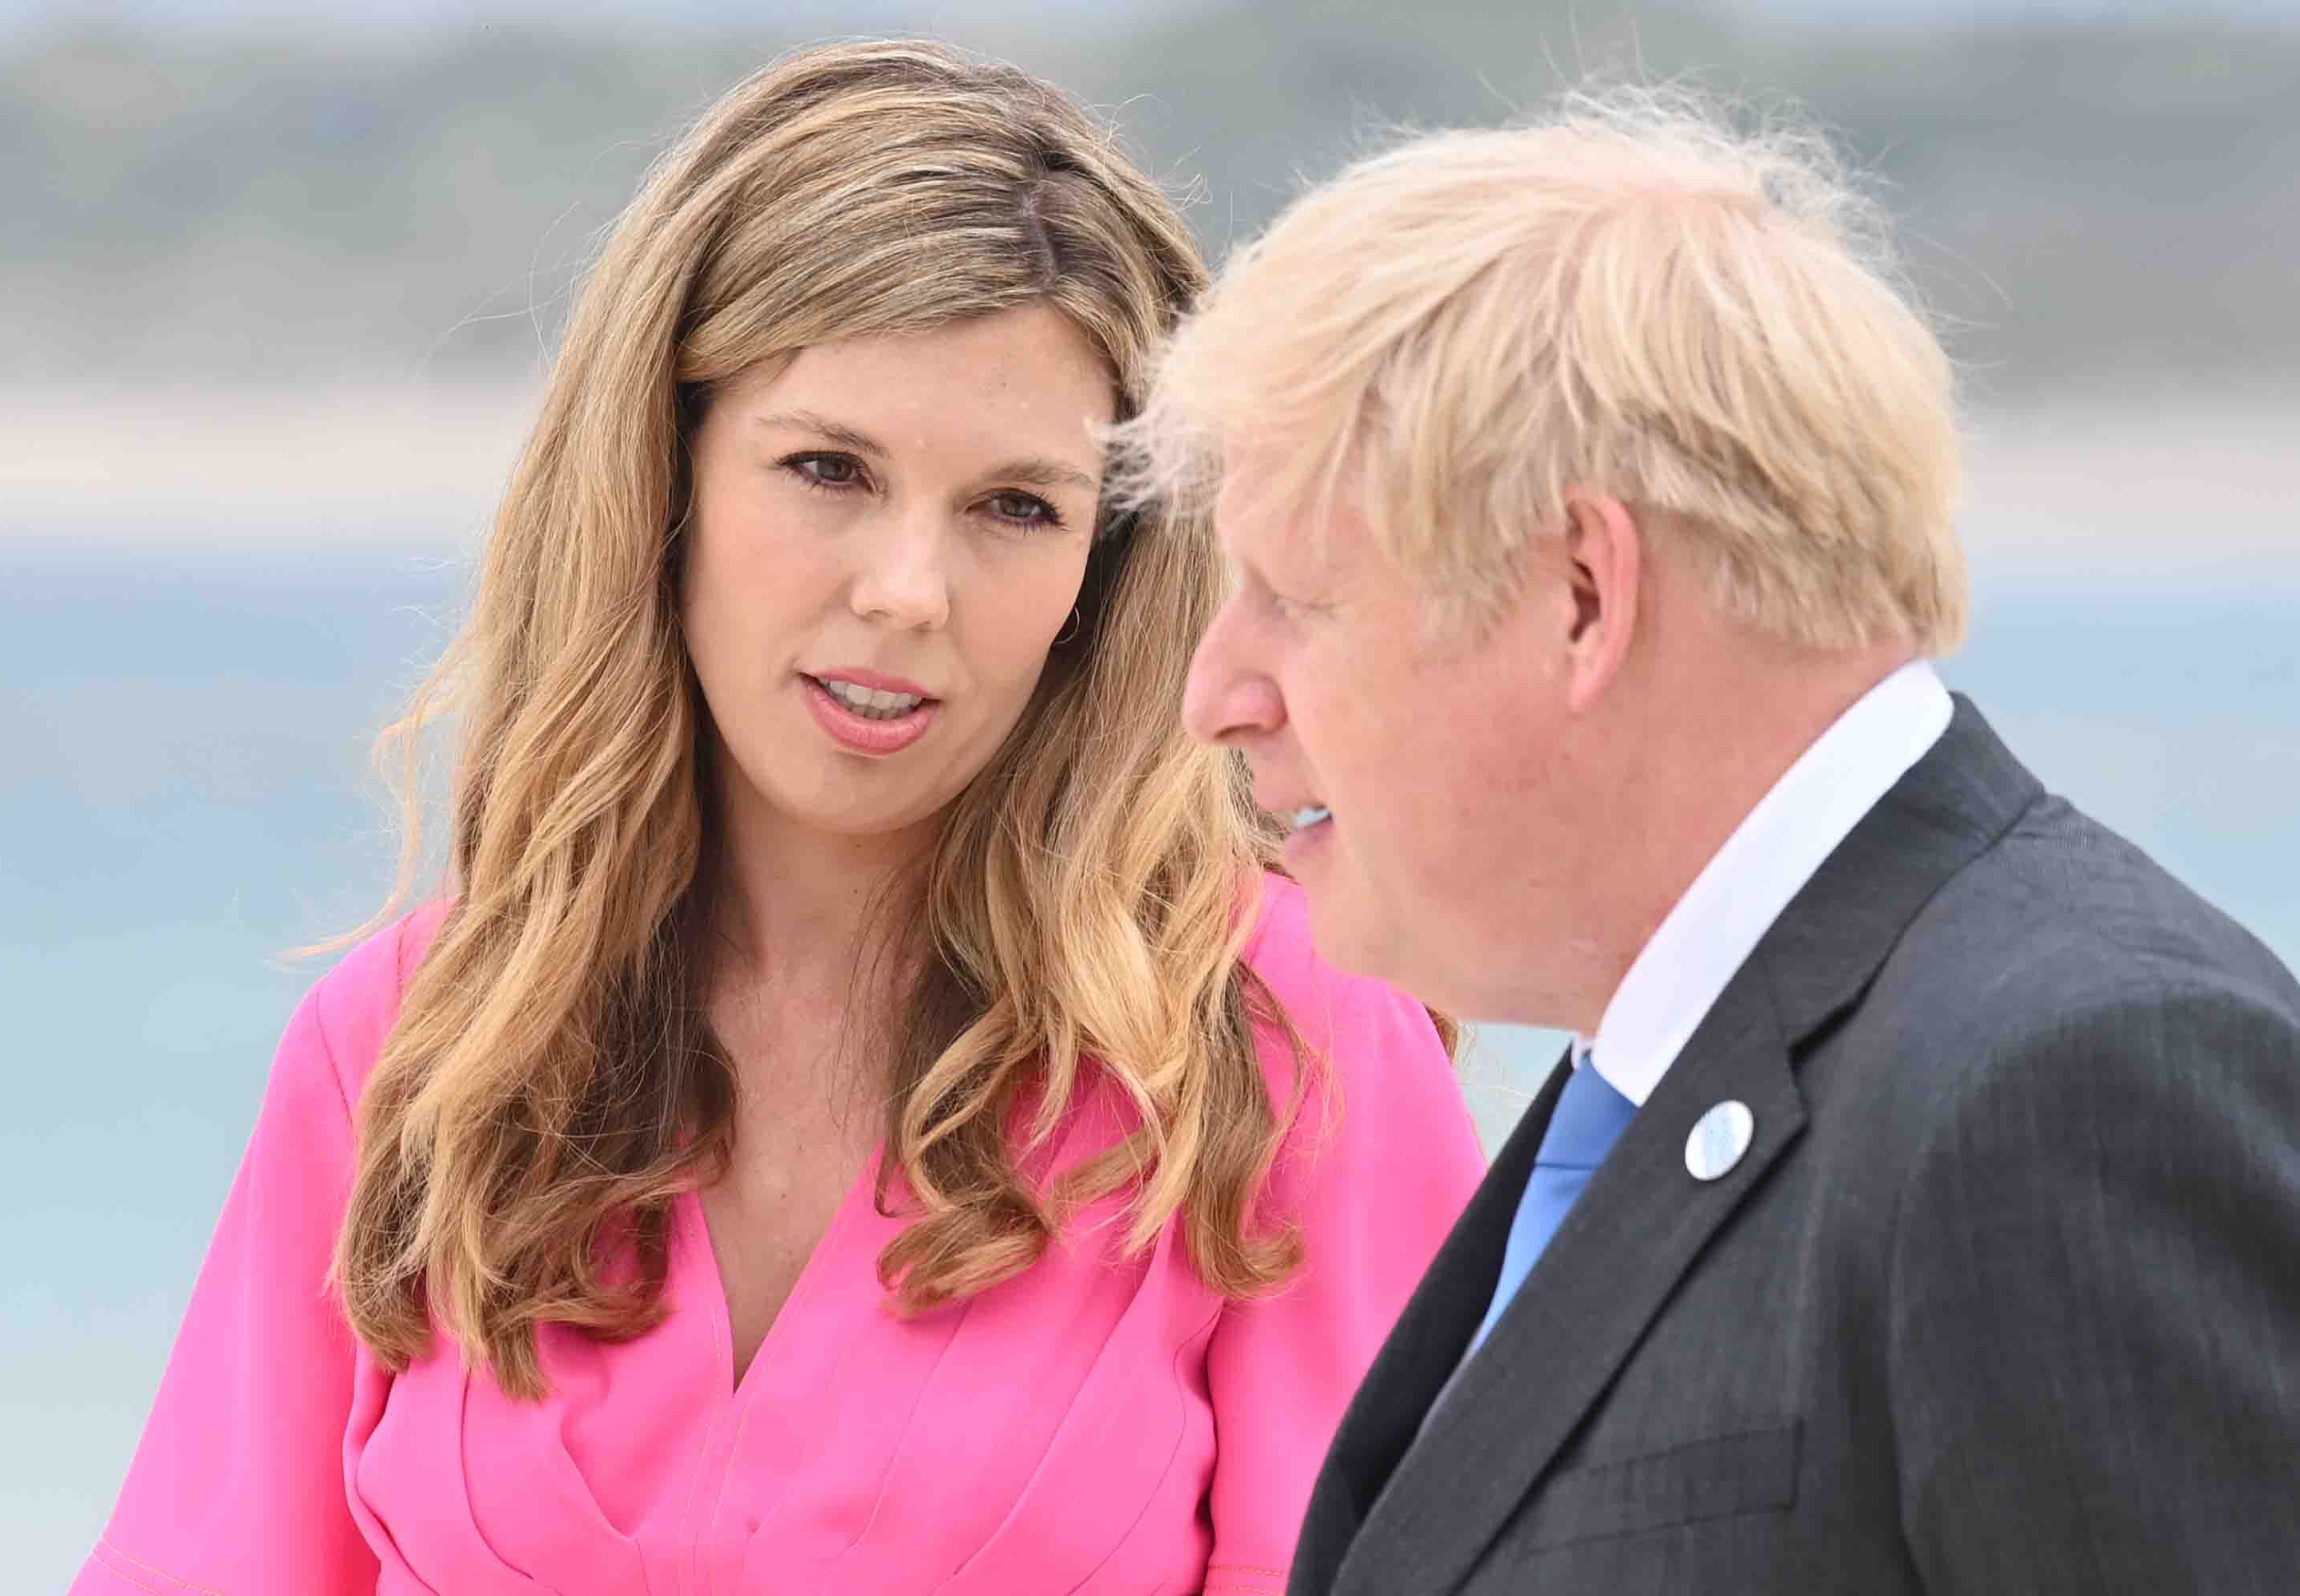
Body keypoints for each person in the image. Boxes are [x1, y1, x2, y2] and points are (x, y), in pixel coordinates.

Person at [72, 41, 1485, 1596]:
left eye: (1018, 507)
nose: (906, 593)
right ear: (664, 477)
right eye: (828, 470)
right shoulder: (412, 1048)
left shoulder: (1285, 1049)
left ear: (1110, 562)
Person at [1124, 87, 2300, 1594]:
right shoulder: (1662, 1071)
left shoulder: (2067, 1088)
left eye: (1296, 595)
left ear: (1582, 595)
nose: (1216, 695)